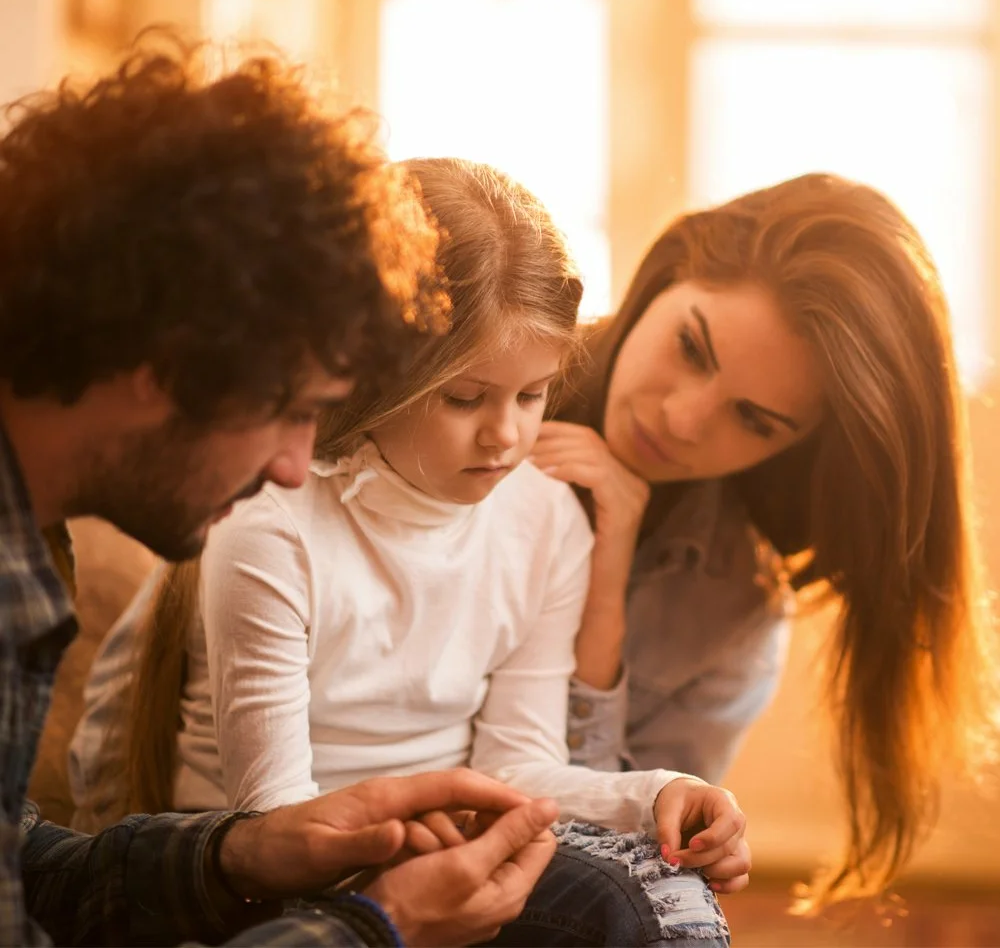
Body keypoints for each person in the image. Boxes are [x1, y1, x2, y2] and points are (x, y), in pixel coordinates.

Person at [71, 157, 746, 946]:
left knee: (662, 893)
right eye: (464, 398)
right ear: (373, 374)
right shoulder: (271, 521)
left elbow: (515, 772)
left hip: (445, 851)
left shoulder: (546, 518)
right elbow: (276, 829)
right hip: (277, 877)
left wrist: (659, 792)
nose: (506, 436)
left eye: (532, 395)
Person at [1, 32, 562, 948]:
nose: (297, 466)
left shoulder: (31, 539)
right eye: (291, 410)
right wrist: (378, 927)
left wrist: (240, 855)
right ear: (168, 367)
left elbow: (24, 874)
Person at [529, 172, 999, 905]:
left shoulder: (732, 613)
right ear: (669, 271)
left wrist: (607, 580)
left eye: (754, 420)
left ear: (797, 448)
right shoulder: (470, 391)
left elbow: (611, 854)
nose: (682, 419)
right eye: (691, 346)